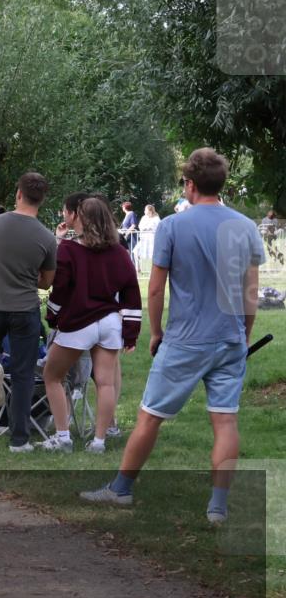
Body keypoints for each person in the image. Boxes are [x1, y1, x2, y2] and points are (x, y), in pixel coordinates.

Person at [81, 148, 265, 524]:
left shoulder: (172, 226)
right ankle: (217, 507)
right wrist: (243, 336)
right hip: (230, 339)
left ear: (190, 184)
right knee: (226, 421)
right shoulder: (245, 227)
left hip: (185, 339)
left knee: (150, 416)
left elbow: (154, 289)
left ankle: (121, 489)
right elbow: (251, 293)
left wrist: (156, 333)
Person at [39, 197, 141, 453]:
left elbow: (60, 290)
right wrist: (131, 333)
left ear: (81, 218)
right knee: (105, 383)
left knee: (52, 376)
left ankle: (63, 438)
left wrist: (52, 317)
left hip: (78, 322)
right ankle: (99, 442)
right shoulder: (119, 252)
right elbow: (131, 292)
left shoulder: (69, 250)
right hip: (110, 322)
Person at [0, 172, 57, 453]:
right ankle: (19, 440)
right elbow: (46, 282)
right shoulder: (47, 237)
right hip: (25, 309)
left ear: (18, 194)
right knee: (24, 374)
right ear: (42, 199)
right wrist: (27, 274)